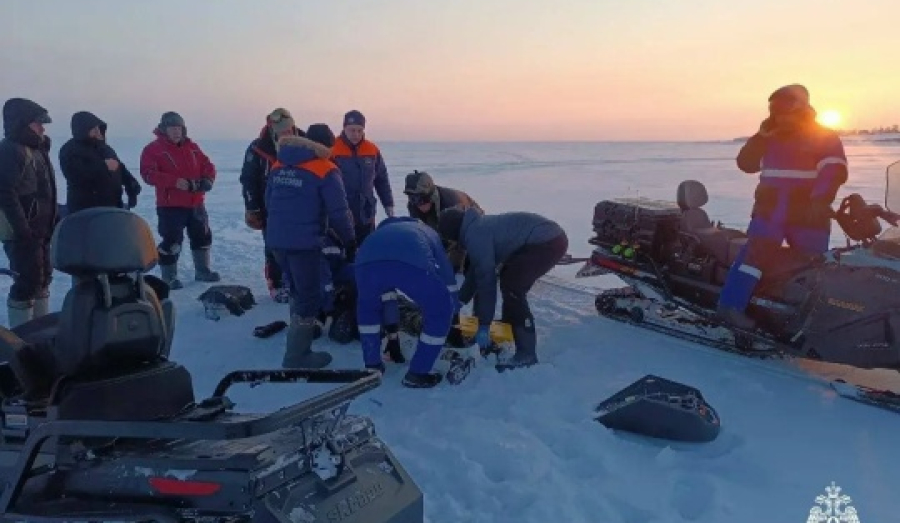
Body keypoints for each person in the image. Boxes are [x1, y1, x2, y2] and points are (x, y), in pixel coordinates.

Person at [717, 84, 849, 330]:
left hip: (808, 212)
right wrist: (760, 138)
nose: (779, 114)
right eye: (774, 108)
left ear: (801, 108)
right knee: (754, 257)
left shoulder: (823, 136)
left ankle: (811, 321)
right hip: (771, 209)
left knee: (814, 265)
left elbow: (834, 170)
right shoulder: (770, 135)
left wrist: (820, 200)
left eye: (785, 107)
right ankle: (730, 307)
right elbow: (746, 164)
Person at [265, 124, 356, 369]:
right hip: (304, 242)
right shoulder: (326, 168)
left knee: (296, 288)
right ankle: (297, 355)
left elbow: (268, 200)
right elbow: (339, 211)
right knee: (308, 295)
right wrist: (350, 239)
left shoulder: (279, 164)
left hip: (276, 241)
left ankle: (298, 341)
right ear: (326, 146)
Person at [437, 207, 568, 371]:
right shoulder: (474, 227)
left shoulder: (475, 235)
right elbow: (475, 272)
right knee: (509, 278)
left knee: (513, 286)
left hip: (547, 240)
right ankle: (511, 326)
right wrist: (461, 299)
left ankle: (526, 354)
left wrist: (484, 324)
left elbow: (486, 282)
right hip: (547, 237)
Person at [354, 216, 460, 388]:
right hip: (411, 262)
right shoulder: (426, 230)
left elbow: (388, 298)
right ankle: (418, 373)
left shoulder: (379, 233)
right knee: (440, 308)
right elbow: (447, 277)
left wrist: (393, 337)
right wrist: (453, 314)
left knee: (369, 310)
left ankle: (372, 367)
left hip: (365, 263)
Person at [140, 112, 220, 289]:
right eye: (172, 128)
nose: (176, 132)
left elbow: (208, 165)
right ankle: (169, 277)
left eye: (179, 128)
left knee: (202, 236)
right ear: (163, 129)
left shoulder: (192, 147)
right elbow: (148, 174)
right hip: (170, 205)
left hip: (196, 203)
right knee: (172, 241)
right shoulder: (153, 149)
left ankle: (203, 271)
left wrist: (208, 179)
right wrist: (174, 182)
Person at [0, 98, 58, 327]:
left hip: (41, 229)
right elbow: (5, 192)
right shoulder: (10, 149)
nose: (42, 128)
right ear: (23, 123)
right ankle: (23, 337)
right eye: (37, 123)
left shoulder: (37, 149)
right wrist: (22, 228)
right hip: (22, 231)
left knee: (42, 279)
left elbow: (45, 191)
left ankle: (41, 331)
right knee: (26, 282)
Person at [240, 108, 305, 303]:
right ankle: (276, 283)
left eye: (289, 129)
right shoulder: (257, 149)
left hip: (299, 206)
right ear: (272, 129)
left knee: (300, 246)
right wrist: (252, 208)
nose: (286, 133)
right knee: (274, 246)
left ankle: (296, 280)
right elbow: (248, 179)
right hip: (270, 208)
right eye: (282, 130)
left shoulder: (305, 143)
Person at [331, 110, 395, 244]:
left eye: (359, 130)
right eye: (352, 130)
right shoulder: (332, 148)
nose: (356, 134)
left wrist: (388, 204)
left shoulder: (372, 150)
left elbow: (381, 179)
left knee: (367, 247)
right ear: (344, 128)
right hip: (342, 211)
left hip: (366, 211)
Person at [59, 111, 142, 213]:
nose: (98, 131)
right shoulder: (70, 150)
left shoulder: (105, 148)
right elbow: (75, 174)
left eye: (98, 128)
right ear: (82, 130)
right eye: (93, 129)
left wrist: (131, 185)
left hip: (112, 208)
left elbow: (119, 168)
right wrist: (103, 166)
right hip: (85, 211)